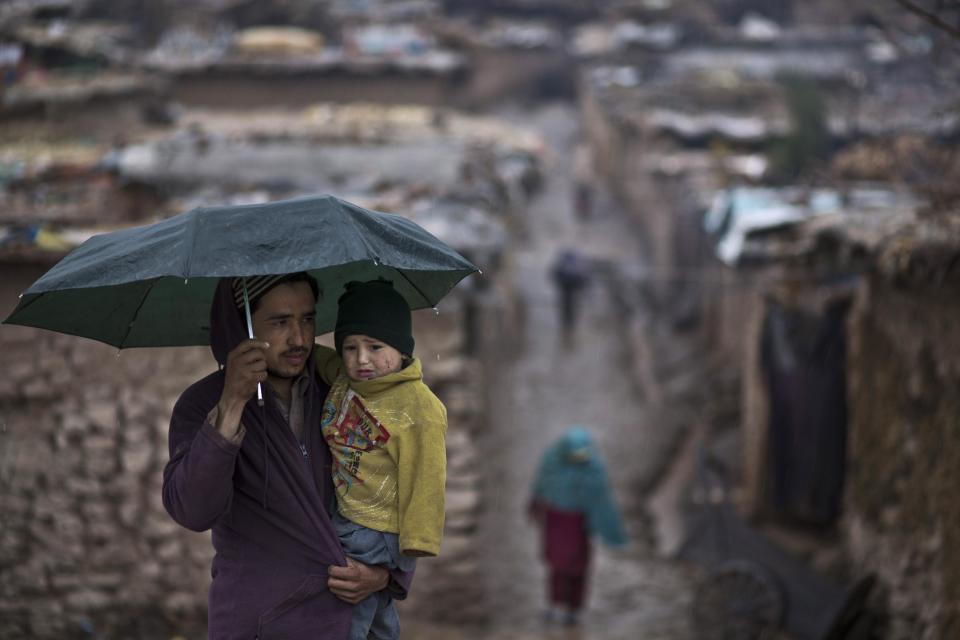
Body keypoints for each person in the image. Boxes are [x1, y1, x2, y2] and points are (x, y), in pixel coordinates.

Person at [162, 274, 413, 640]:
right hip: (260, 625)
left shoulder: (345, 394)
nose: (299, 339)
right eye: (280, 323)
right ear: (242, 326)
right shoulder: (202, 405)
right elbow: (192, 510)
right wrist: (231, 403)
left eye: (307, 320)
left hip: (351, 625)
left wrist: (386, 575)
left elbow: (401, 490)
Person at [314, 279, 447, 640]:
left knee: (347, 615)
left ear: (401, 350)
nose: (361, 360)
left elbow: (427, 477)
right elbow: (317, 358)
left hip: (375, 530)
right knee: (377, 617)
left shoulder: (418, 406)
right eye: (350, 347)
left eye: (375, 347)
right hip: (348, 515)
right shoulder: (345, 380)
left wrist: (419, 539)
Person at [528, 426, 627, 626]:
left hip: (579, 526)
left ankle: (573, 609)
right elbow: (540, 485)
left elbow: (602, 503)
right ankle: (554, 605)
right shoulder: (552, 463)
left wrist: (612, 533)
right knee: (557, 567)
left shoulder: (594, 468)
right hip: (557, 521)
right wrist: (535, 504)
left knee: (577, 568)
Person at [550, 248, 590, 336]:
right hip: (572, 288)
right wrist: (582, 287)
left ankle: (566, 322)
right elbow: (583, 277)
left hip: (565, 287)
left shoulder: (563, 263)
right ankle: (570, 322)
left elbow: (554, 274)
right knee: (571, 305)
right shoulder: (576, 265)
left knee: (566, 304)